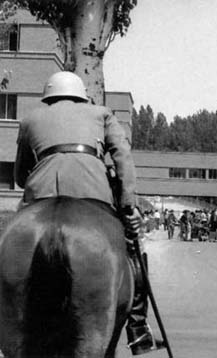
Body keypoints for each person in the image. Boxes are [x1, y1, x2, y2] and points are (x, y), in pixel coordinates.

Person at [14, 71, 161, 355]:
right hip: (93, 191)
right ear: (82, 94)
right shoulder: (102, 113)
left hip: (40, 191)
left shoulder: (30, 118)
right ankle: (138, 326)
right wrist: (129, 204)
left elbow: (20, 175)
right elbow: (122, 157)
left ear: (48, 95)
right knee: (132, 248)